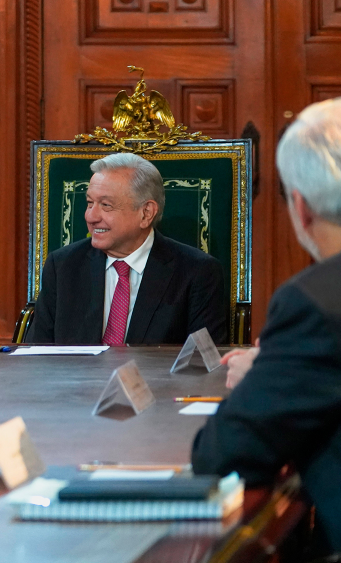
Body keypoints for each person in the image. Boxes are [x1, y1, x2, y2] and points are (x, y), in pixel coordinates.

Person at [192, 98, 341, 556]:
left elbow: (224, 455)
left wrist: (266, 374)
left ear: (300, 207)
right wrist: (286, 364)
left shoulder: (315, 302)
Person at [27, 152, 228, 345]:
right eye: (89, 203)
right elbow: (37, 353)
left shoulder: (197, 273)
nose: (91, 216)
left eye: (106, 205)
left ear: (146, 213)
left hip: (156, 380)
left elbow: (204, 363)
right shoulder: (62, 266)